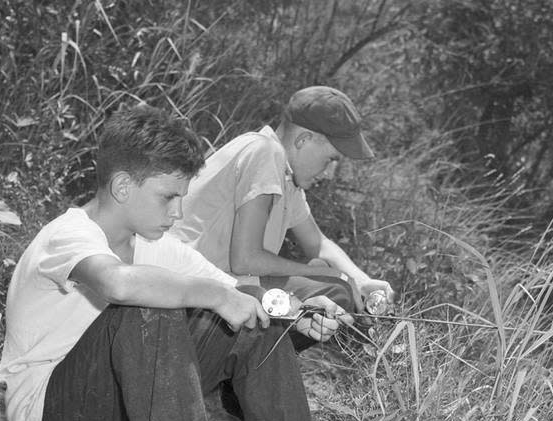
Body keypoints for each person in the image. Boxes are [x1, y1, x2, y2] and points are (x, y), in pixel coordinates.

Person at [0, 104, 350, 421]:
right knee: (148, 304)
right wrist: (211, 295)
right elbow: (119, 285)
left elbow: (235, 290)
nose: (179, 211)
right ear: (123, 186)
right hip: (53, 416)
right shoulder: (67, 235)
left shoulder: (155, 243)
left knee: (251, 320)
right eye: (168, 197)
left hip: (120, 413)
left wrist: (293, 311)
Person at [169, 85, 394, 320]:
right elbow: (245, 260)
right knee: (333, 289)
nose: (329, 174)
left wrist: (361, 281)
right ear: (303, 139)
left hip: (218, 285)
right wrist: (335, 277)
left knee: (334, 283)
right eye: (330, 160)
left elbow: (318, 244)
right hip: (187, 289)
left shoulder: (287, 178)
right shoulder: (264, 151)